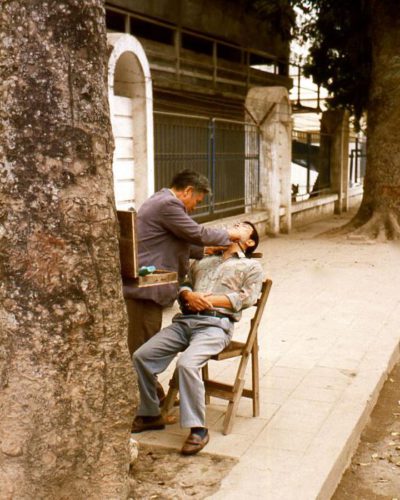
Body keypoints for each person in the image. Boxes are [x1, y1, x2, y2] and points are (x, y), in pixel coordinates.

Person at [131, 221, 263, 455]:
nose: (234, 227)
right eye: (233, 224)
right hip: (185, 322)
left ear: (250, 241)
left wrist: (208, 300)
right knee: (141, 356)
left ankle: (198, 429)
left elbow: (247, 298)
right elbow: (184, 284)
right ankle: (151, 413)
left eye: (242, 226)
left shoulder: (250, 266)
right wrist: (188, 294)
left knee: (186, 364)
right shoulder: (204, 260)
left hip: (215, 325)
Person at [123, 169, 242, 400]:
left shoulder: (161, 201)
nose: (195, 207)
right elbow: (196, 233)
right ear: (187, 191)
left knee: (143, 348)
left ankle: (153, 400)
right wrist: (231, 234)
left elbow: (179, 240)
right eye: (197, 200)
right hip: (145, 290)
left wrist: (208, 250)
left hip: (148, 288)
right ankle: (148, 407)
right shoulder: (168, 204)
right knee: (142, 351)